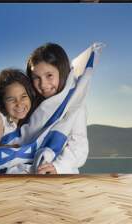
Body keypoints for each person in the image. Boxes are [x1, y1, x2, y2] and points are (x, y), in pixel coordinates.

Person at [26, 43, 89, 174]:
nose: (43, 84)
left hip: (60, 173)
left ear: (62, 72)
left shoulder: (75, 103)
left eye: (49, 75)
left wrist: (58, 166)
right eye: (36, 78)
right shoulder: (32, 103)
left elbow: (79, 146)